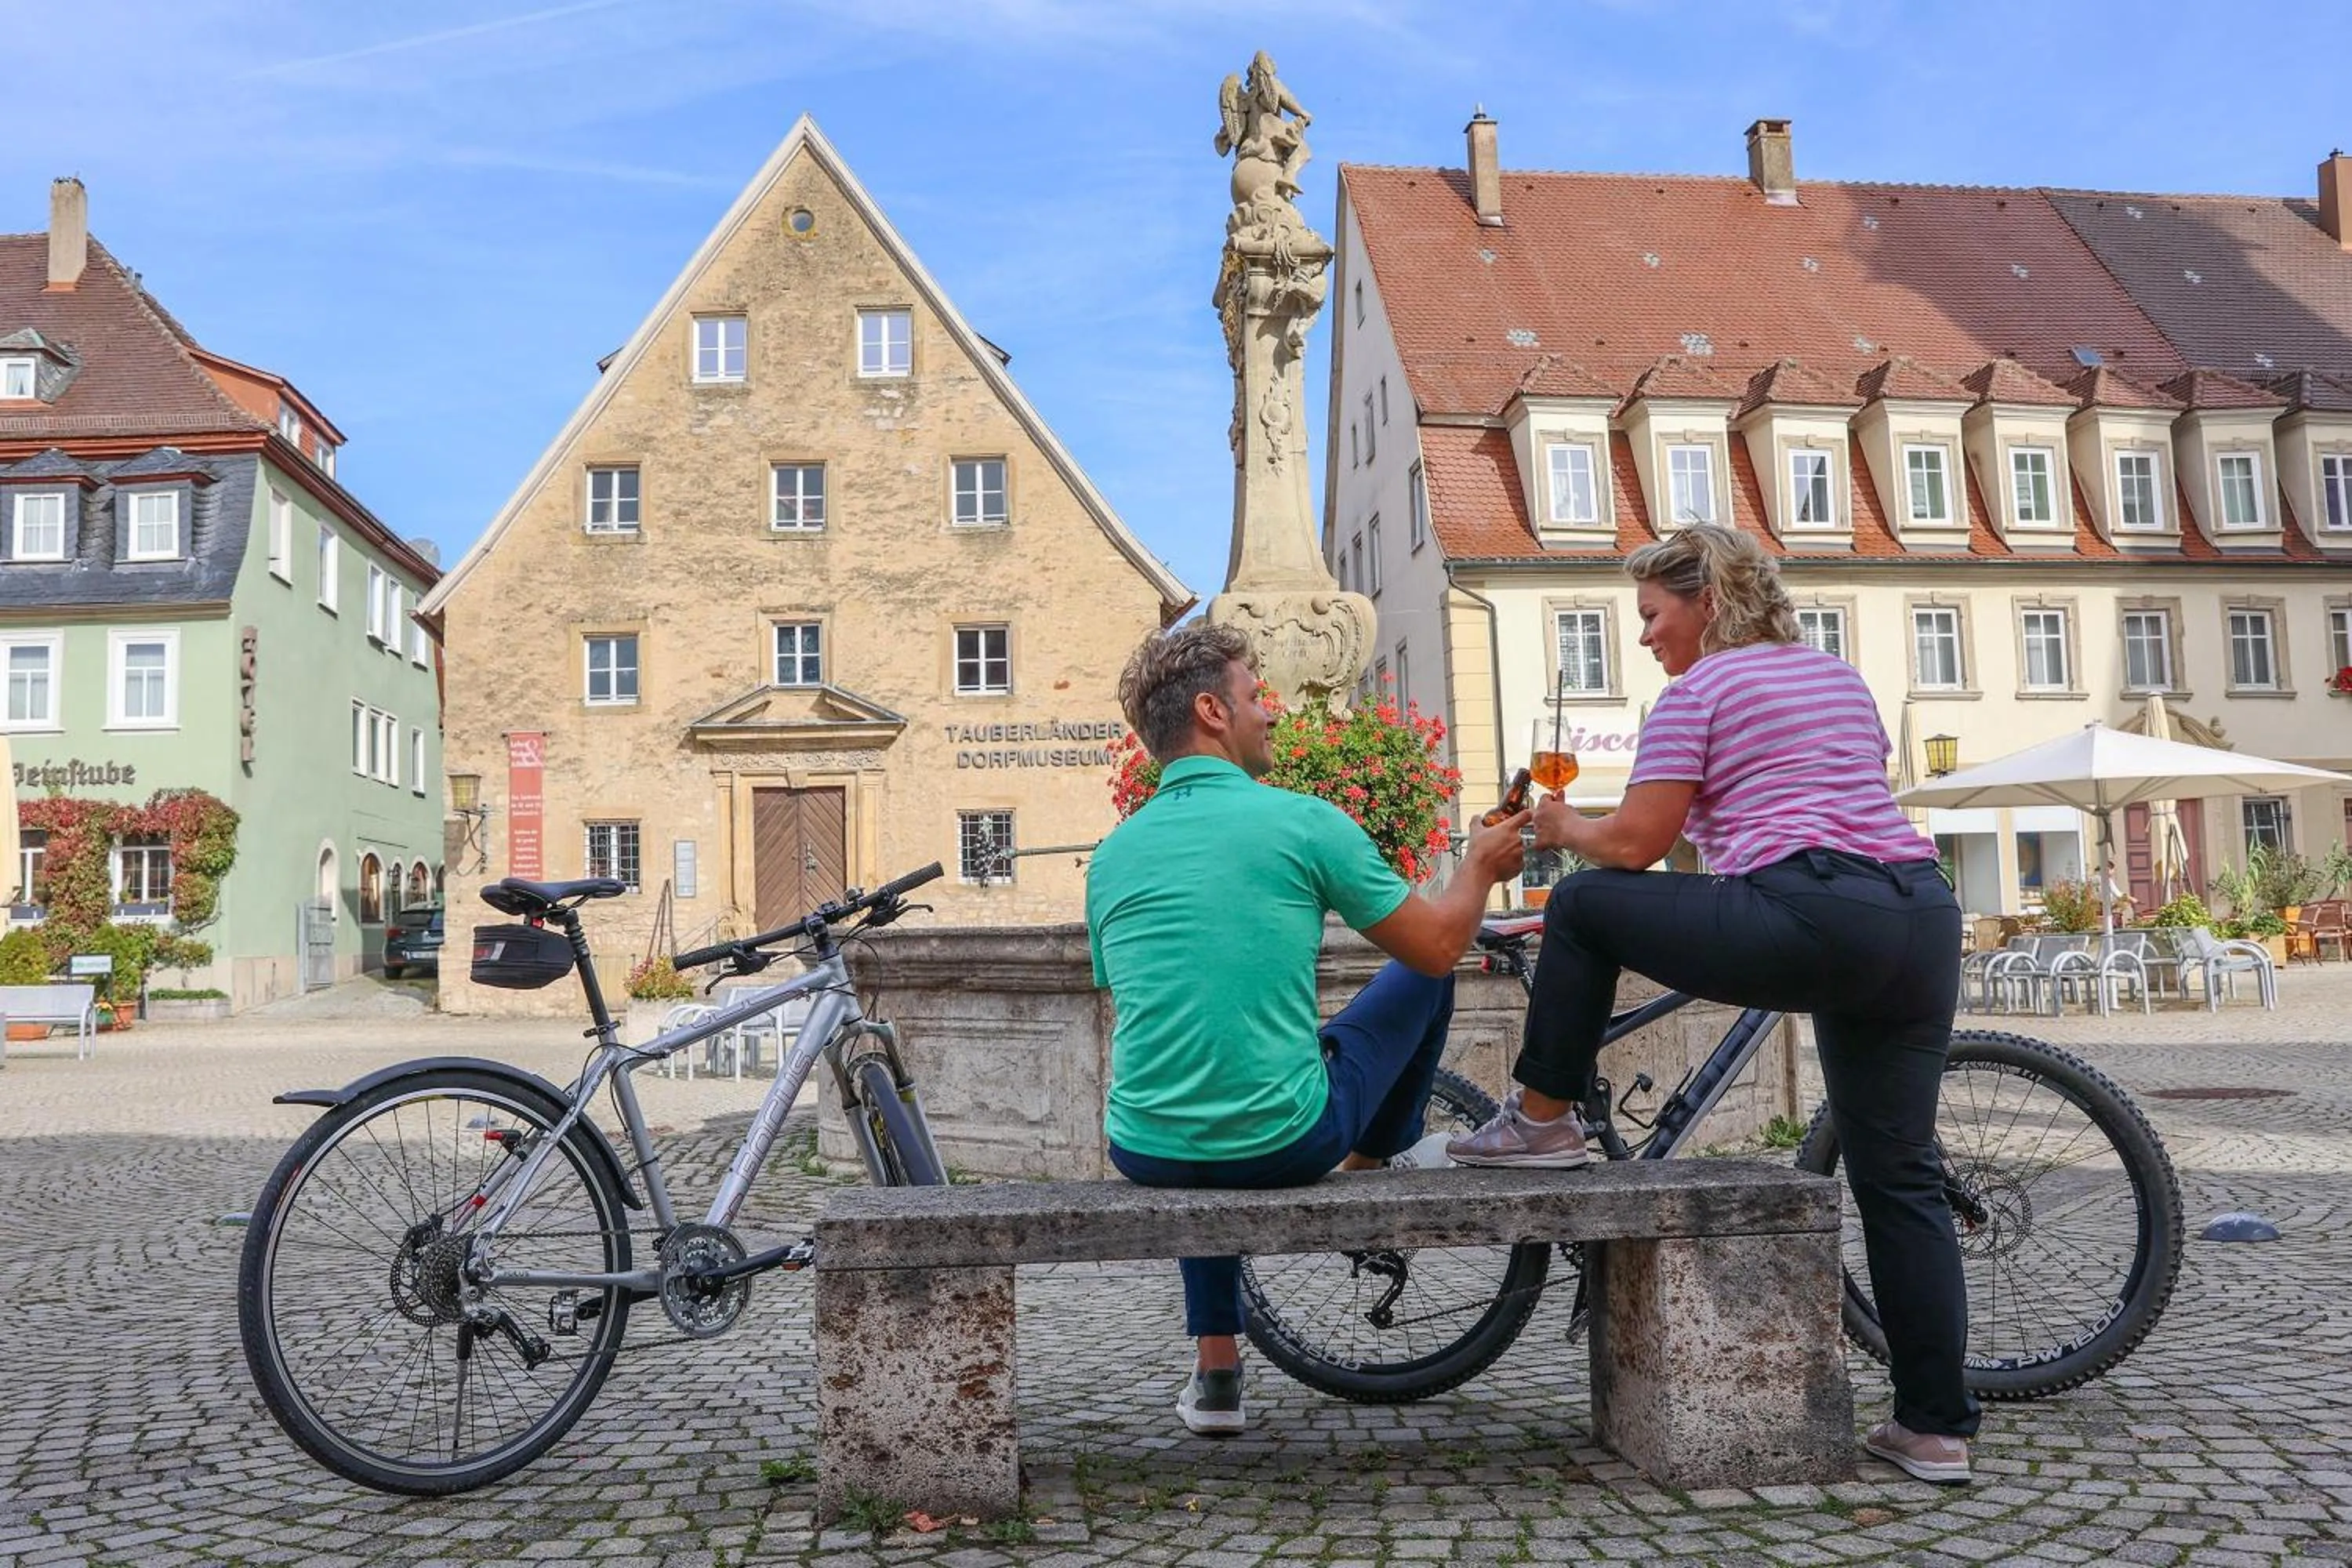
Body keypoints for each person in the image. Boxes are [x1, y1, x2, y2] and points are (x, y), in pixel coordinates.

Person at [1446, 524, 1980, 1486]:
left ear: (1707, 603)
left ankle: (1542, 1119)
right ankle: (1935, 1428)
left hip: (1809, 906)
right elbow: (1803, 796)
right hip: (1919, 915)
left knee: (1581, 901)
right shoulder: (1838, 677)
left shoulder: (1698, 690)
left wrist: (1563, 827)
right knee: (1900, 1177)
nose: (1646, 638)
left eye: (1653, 615)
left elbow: (1637, 845)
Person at [1087, 622, 1530, 1436]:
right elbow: (1437, 945)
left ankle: (1217, 1378)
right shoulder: (1301, 822)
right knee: (1418, 980)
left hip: (1143, 1142)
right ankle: (1375, 1157)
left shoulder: (1112, 857)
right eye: (1258, 695)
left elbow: (1167, 1007)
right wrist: (1477, 867)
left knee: (1207, 1112)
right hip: (1285, 1141)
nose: (1272, 712)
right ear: (1214, 711)